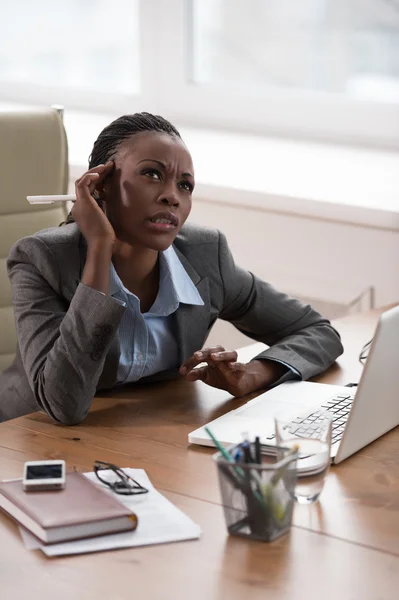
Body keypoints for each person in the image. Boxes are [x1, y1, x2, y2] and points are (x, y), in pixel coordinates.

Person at [0, 112, 343, 424]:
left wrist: (253, 375)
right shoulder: (41, 259)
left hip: (141, 432)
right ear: (99, 184)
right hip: (27, 439)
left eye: (185, 185)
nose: (172, 197)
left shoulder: (206, 255)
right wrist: (100, 247)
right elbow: (63, 406)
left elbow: (317, 331)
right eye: (152, 174)